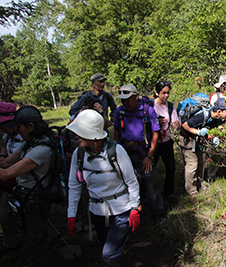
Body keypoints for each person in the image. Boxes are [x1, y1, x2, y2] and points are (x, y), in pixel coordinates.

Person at [67, 109, 140, 267]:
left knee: (108, 254)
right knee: (110, 253)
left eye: (80, 133)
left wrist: (135, 208)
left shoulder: (116, 151)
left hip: (121, 211)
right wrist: (71, 214)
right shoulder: (78, 154)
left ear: (93, 135)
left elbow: (132, 181)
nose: (76, 136)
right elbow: (74, 185)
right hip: (97, 212)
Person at [0, 105, 56, 267]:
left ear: (30, 126)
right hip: (25, 199)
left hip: (35, 202)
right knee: (31, 237)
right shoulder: (30, 143)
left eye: (19, 127)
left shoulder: (40, 150)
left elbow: (6, 174)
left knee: (37, 240)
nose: (17, 131)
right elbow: (5, 163)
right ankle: (35, 261)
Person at [113, 84, 166, 226]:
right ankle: (128, 212)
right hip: (124, 150)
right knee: (123, 181)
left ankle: (159, 214)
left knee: (149, 181)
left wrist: (149, 156)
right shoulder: (120, 111)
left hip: (143, 152)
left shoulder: (147, 111)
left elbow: (155, 133)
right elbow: (116, 131)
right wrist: (116, 151)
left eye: (127, 99)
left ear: (135, 97)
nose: (124, 102)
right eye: (122, 100)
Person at [180, 98, 226, 195]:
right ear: (219, 111)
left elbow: (211, 128)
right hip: (187, 138)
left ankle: (199, 184)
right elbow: (185, 125)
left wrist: (215, 136)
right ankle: (191, 191)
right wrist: (199, 132)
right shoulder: (202, 116)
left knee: (201, 162)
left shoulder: (216, 119)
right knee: (192, 164)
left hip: (197, 139)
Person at [0, 102, 23, 255]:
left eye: (4, 124)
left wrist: (4, 161)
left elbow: (8, 161)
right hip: (10, 177)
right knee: (4, 212)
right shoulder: (8, 135)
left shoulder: (25, 136)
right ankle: (11, 239)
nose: (2, 128)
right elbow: (4, 152)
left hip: (21, 178)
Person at [152, 81, 181, 201]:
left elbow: (176, 123)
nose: (166, 96)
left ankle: (168, 192)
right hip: (153, 142)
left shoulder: (170, 106)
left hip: (166, 141)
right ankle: (145, 193)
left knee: (170, 168)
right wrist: (155, 122)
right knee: (149, 169)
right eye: (163, 93)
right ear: (156, 93)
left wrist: (177, 124)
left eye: (168, 93)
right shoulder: (150, 106)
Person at [208, 75, 226, 181]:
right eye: (224, 84)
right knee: (215, 153)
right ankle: (211, 176)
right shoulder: (215, 96)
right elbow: (212, 111)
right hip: (218, 126)